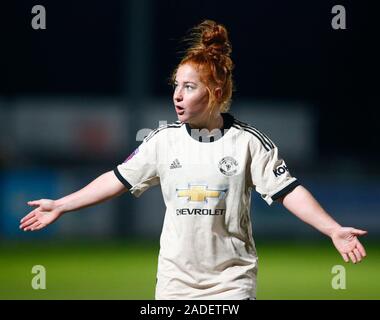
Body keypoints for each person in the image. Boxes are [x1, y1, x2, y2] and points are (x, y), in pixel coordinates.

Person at [19, 20, 367, 300]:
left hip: (232, 283)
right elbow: (118, 179)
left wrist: (332, 229)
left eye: (189, 87)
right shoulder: (162, 140)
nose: (177, 94)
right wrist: (62, 205)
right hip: (174, 284)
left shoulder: (247, 142)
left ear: (214, 93)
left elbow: (289, 190)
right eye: (176, 85)